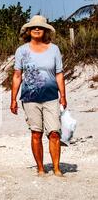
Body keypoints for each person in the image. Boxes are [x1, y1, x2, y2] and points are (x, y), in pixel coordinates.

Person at [10, 15, 67, 176]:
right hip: (30, 98)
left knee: (54, 132)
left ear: (45, 30)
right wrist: (13, 99)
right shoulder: (22, 51)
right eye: (33, 27)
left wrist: (63, 95)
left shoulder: (54, 49)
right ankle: (41, 168)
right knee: (36, 133)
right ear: (28, 30)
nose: (37, 29)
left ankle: (56, 169)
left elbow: (59, 74)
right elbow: (17, 75)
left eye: (40, 27)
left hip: (51, 97)